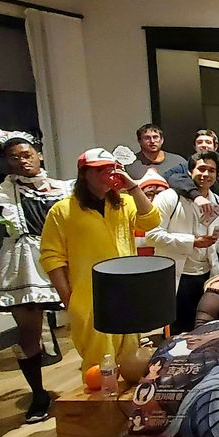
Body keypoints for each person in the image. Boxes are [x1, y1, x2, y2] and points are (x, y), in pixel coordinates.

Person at [40, 148, 161, 370]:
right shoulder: (62, 210)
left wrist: (133, 187)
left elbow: (151, 221)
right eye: (99, 170)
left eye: (111, 169)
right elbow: (52, 257)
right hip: (89, 298)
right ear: (83, 174)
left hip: (127, 294)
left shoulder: (125, 203)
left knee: (131, 362)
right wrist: (69, 300)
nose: (107, 174)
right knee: (99, 366)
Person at [0, 135, 72, 422]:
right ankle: (38, 394)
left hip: (64, 257)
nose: (22, 161)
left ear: (39, 155)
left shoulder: (65, 187)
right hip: (24, 262)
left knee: (87, 319)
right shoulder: (4, 189)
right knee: (28, 332)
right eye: (14, 157)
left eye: (27, 155)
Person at [145, 152, 219, 333]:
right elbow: (151, 235)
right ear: (190, 171)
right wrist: (192, 242)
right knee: (177, 330)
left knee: (204, 329)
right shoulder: (169, 197)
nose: (206, 174)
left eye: (211, 170)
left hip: (207, 276)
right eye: (201, 169)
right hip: (177, 274)